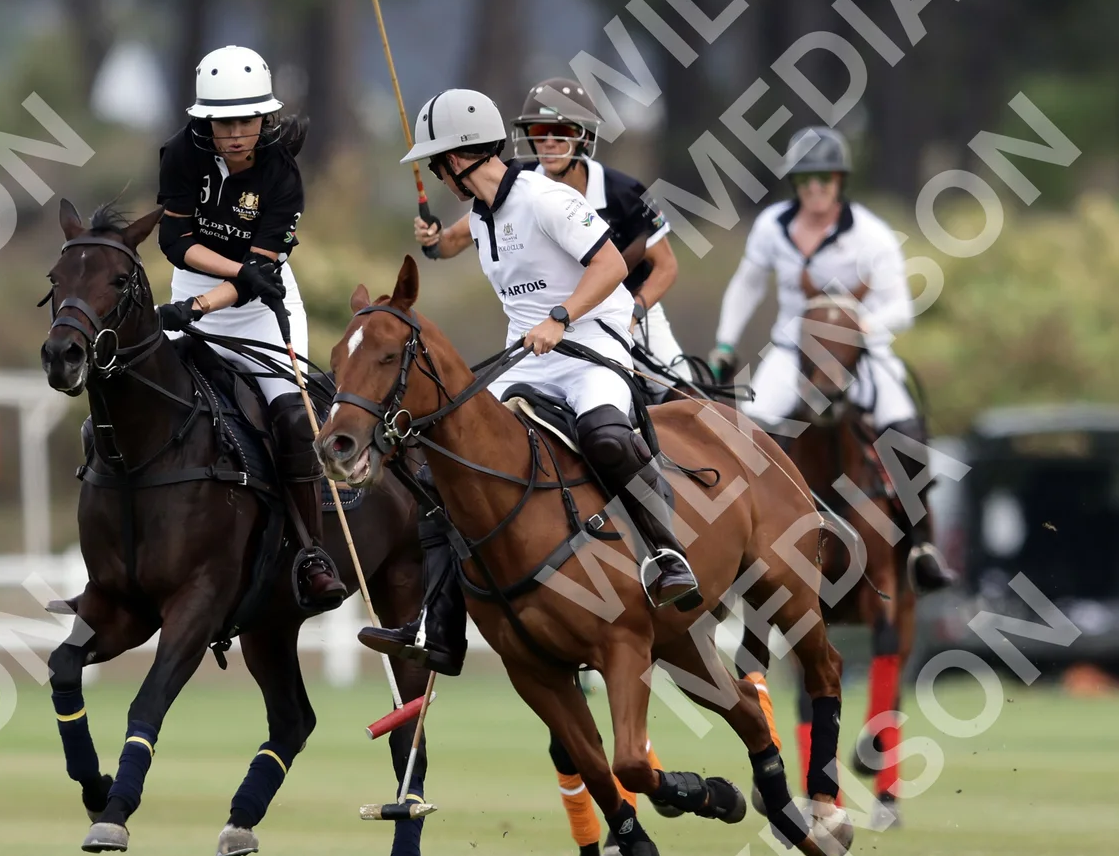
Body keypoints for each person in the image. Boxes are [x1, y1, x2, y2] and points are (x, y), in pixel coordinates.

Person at [359, 86, 700, 650]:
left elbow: (612, 265)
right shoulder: (481, 216)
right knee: (440, 474)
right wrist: (435, 244)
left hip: (593, 347)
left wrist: (561, 317)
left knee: (606, 436)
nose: (438, 175)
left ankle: (667, 553)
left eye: (437, 163)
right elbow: (448, 248)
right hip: (530, 359)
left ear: (460, 157)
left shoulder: (546, 199)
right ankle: (439, 628)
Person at [711, 125, 953, 594]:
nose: (815, 188)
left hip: (860, 353)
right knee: (750, 436)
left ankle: (921, 544)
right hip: (792, 352)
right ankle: (743, 545)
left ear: (840, 180)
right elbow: (747, 285)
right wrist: (725, 342)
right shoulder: (771, 226)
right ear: (795, 183)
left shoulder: (871, 234)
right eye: (806, 179)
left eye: (824, 178)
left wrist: (858, 329)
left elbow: (900, 307)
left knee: (906, 430)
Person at [152, 44, 345, 612]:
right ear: (205, 123)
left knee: (294, 419)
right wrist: (216, 287)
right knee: (147, 400)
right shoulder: (180, 153)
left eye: (246, 121)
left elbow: (263, 277)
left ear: (265, 118)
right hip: (196, 284)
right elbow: (174, 241)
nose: (235, 134)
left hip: (262, 307)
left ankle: (311, 555)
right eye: (223, 123)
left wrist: (206, 304)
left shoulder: (283, 175)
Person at [419, 78, 689, 386]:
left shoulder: (626, 192)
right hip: (558, 322)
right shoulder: (513, 186)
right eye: (539, 131)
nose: (549, 142)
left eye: (562, 132)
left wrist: (634, 314)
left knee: (679, 388)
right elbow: (455, 239)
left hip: (631, 310)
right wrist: (432, 241)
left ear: (584, 136)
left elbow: (666, 266)